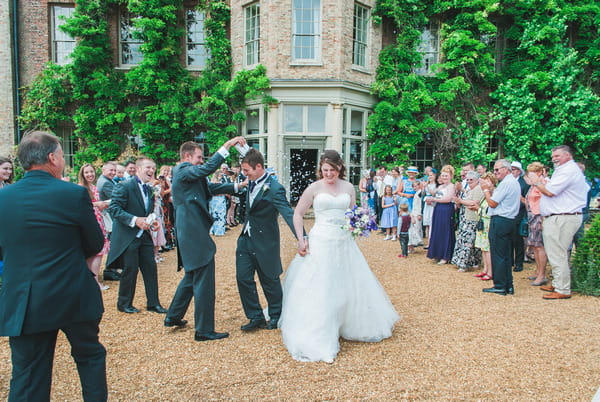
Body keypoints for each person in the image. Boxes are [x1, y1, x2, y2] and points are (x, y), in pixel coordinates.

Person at [0, 131, 107, 401]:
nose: (63, 160)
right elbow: (94, 242)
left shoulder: (4, 198)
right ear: (51, 158)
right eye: (61, 154)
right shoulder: (72, 194)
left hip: (25, 297)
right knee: (90, 358)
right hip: (72, 292)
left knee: (27, 374)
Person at [279, 150, 399, 363]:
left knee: (349, 282)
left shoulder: (348, 187)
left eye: (332, 170)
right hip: (321, 241)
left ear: (339, 168)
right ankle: (321, 330)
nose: (328, 174)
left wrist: (358, 224)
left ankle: (349, 322)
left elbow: (352, 213)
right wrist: (301, 239)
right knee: (322, 284)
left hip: (344, 242)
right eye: (325, 170)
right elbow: (297, 213)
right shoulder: (314, 188)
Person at [164, 138, 246, 341]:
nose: (202, 161)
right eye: (199, 157)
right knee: (204, 278)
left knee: (192, 275)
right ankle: (203, 329)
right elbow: (208, 169)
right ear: (187, 157)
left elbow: (210, 189)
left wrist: (239, 185)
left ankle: (173, 316)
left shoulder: (189, 176)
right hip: (193, 232)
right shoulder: (183, 170)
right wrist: (227, 146)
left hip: (191, 230)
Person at [236, 148, 296, 331]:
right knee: (243, 278)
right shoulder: (250, 182)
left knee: (269, 279)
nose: (244, 174)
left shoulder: (275, 188)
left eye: (247, 170)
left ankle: (276, 315)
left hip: (266, 241)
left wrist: (302, 237)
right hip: (245, 239)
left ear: (259, 167)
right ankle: (255, 316)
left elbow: (288, 213)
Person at [107, 157, 167, 314]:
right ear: (138, 169)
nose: (151, 171)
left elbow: (146, 211)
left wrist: (152, 221)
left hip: (145, 235)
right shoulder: (124, 186)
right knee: (130, 270)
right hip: (128, 236)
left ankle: (153, 303)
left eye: (153, 168)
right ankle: (124, 303)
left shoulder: (149, 188)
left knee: (150, 269)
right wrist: (135, 220)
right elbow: (114, 209)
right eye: (148, 167)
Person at [530, 145, 589, 299]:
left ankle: (562, 289)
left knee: (557, 253)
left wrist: (537, 182)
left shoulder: (569, 170)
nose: (554, 158)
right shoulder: (563, 171)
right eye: (553, 156)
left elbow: (550, 191)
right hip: (558, 216)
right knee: (555, 251)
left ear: (568, 155)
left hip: (563, 216)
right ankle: (558, 283)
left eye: (557, 156)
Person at [480, 159, 521, 295]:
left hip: (501, 220)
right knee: (506, 255)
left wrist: (485, 189)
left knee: (498, 254)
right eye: (495, 170)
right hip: (509, 220)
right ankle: (508, 284)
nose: (495, 172)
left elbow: (492, 203)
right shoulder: (513, 182)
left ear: (506, 169)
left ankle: (500, 285)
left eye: (497, 170)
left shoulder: (506, 184)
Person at [78, 163, 111, 290]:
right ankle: (94, 282)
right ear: (82, 174)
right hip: (90, 222)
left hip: (99, 220)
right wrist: (98, 204)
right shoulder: (81, 188)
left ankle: (93, 280)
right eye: (87, 172)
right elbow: (81, 207)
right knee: (97, 251)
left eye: (91, 172)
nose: (90, 174)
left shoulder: (94, 187)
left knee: (98, 253)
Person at [451, 171, 484, 272]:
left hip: (472, 219)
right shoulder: (470, 189)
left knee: (468, 242)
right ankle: (469, 262)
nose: (469, 181)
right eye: (468, 179)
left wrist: (461, 201)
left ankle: (465, 264)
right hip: (466, 217)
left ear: (477, 180)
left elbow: (474, 203)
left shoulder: (478, 189)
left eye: (471, 180)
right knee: (465, 241)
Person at [523, 162, 549, 286]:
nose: (530, 176)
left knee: (540, 246)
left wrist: (543, 218)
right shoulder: (533, 186)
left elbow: (546, 200)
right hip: (532, 216)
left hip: (539, 216)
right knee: (534, 245)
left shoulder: (543, 184)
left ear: (539, 173)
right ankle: (538, 271)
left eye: (532, 174)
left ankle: (542, 274)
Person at [426, 165, 456, 264]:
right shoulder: (440, 186)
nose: (444, 178)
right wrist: (431, 200)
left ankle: (446, 256)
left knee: (445, 231)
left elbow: (448, 199)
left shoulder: (452, 186)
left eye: (446, 176)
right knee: (437, 230)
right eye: (443, 176)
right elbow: (434, 194)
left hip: (446, 210)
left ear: (451, 176)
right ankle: (437, 254)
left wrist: (434, 199)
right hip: (438, 209)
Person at [96, 161, 121, 281]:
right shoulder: (105, 183)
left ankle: (112, 268)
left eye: (114, 170)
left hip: (110, 215)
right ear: (103, 170)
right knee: (113, 243)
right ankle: (109, 269)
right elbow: (117, 197)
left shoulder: (108, 181)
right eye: (110, 170)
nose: (113, 172)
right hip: (108, 216)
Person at [474, 172, 497, 281]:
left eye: (487, 181)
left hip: (489, 223)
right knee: (483, 248)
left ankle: (491, 272)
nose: (485, 183)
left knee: (488, 249)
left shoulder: (494, 193)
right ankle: (485, 269)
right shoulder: (485, 194)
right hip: (482, 222)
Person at [510, 161, 530, 272]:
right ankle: (510, 260)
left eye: (514, 169)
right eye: (511, 169)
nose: (512, 171)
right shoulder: (507, 182)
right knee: (509, 238)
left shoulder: (524, 184)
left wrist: (519, 199)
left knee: (518, 240)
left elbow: (527, 201)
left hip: (519, 213)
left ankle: (519, 262)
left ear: (519, 171)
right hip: (509, 213)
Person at [209, 171, 228, 236]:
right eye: (220, 175)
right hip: (216, 200)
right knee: (216, 214)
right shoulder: (213, 183)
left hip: (220, 199)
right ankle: (217, 231)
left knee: (220, 215)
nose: (221, 177)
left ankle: (218, 230)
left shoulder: (220, 182)